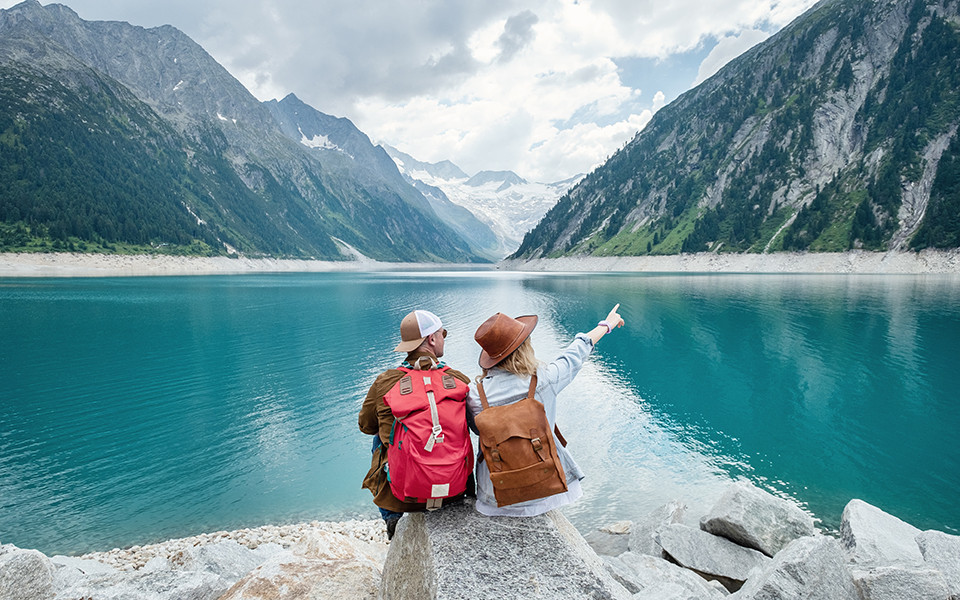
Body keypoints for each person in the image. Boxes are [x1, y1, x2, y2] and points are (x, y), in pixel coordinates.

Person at [467, 304, 625, 517]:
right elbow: (575, 353)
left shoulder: (475, 395)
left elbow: (479, 432)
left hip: (495, 495)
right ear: (524, 348)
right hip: (546, 489)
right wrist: (607, 324)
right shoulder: (544, 379)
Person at [359, 309, 473, 539]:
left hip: (405, 497)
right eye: (442, 334)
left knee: (383, 437)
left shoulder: (385, 382)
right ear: (431, 339)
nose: (443, 339)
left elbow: (365, 425)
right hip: (455, 489)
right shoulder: (459, 380)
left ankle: (392, 518)